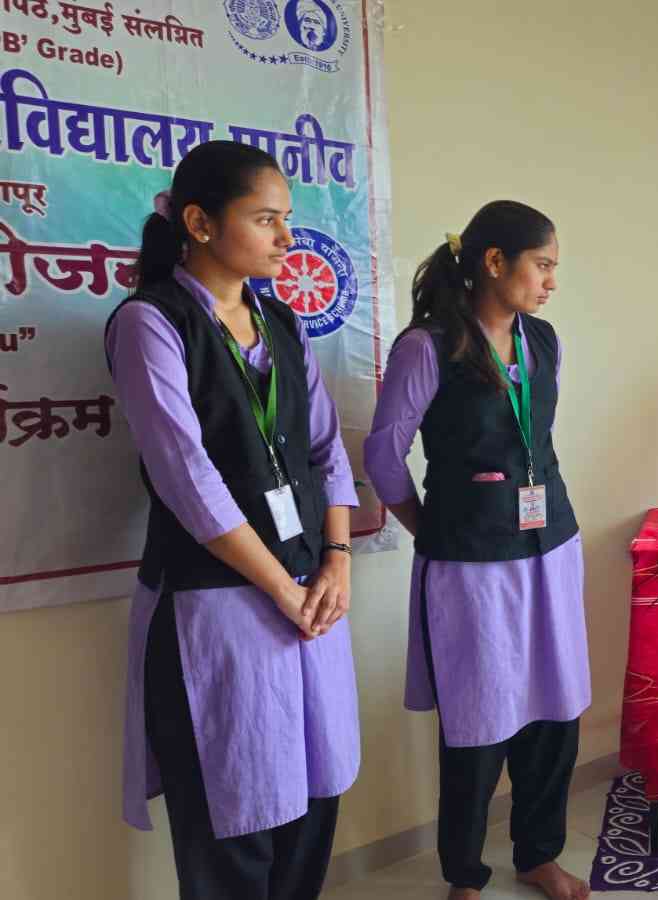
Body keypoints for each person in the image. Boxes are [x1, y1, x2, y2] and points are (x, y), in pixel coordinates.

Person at [108, 140, 361, 899]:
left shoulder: (280, 321)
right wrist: (284, 591)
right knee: (236, 816)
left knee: (312, 797)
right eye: (265, 219)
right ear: (200, 223)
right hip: (215, 608)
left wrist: (338, 557)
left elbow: (326, 448)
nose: (287, 238)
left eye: (287, 219)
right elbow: (189, 480)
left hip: (310, 597)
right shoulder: (152, 323)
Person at [364, 201, 591, 900]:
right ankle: (464, 875)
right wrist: (429, 526)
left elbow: (535, 440)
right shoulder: (428, 346)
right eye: (542, 265)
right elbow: (382, 455)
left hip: (551, 547)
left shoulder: (543, 340)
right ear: (494, 262)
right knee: (478, 719)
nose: (551, 282)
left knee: (555, 713)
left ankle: (538, 854)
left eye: (555, 268)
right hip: (471, 564)